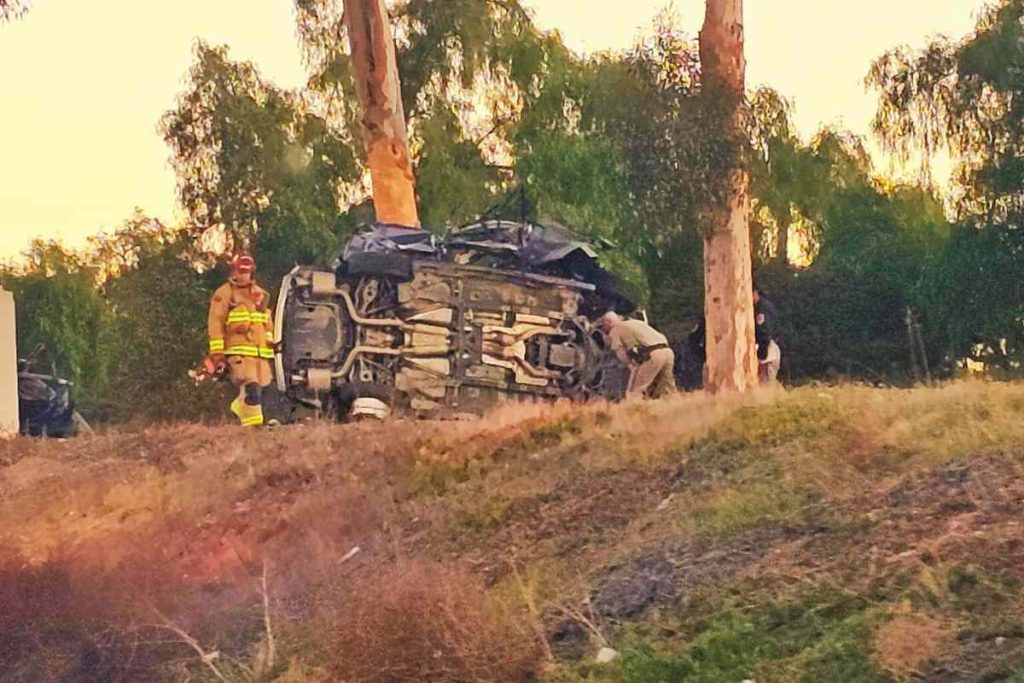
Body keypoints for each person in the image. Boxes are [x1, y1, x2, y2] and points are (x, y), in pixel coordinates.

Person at [208, 254, 275, 427]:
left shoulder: (259, 294)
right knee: (251, 385)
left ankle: (243, 410)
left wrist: (272, 346)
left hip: (260, 353)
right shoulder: (225, 294)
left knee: (260, 389)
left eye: (247, 271)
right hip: (239, 353)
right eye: (241, 271)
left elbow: (266, 323)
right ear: (234, 271)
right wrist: (217, 353)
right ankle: (253, 426)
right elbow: (215, 322)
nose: (244, 275)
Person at [600, 311, 676, 399]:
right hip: (668, 351)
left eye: (603, 325)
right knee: (667, 388)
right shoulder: (637, 322)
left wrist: (630, 364)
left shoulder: (615, 329)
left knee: (637, 390)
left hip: (653, 354)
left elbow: (620, 353)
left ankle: (634, 408)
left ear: (607, 322)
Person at [753, 286, 781, 384]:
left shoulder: (761, 308)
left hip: (768, 351)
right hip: (769, 347)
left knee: (766, 384)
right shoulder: (765, 305)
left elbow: (764, 331)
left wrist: (761, 353)